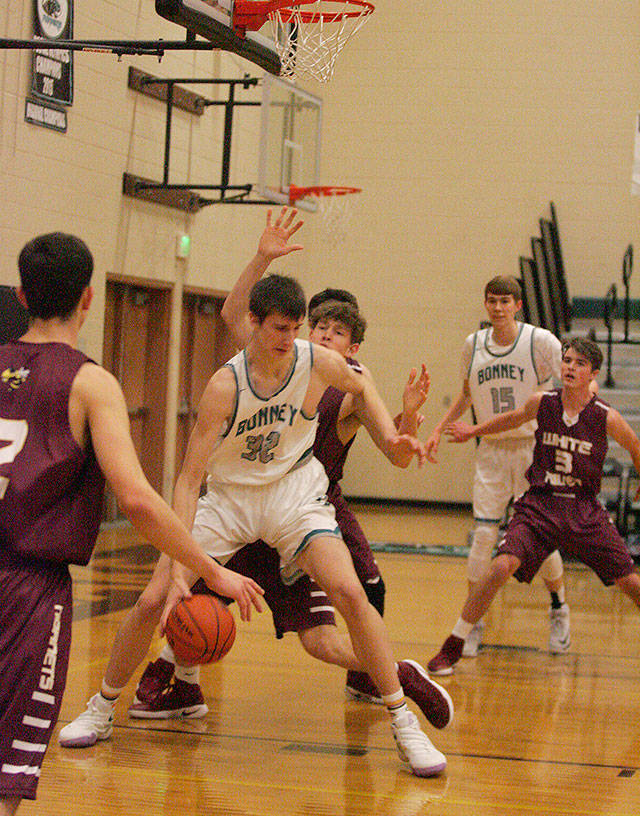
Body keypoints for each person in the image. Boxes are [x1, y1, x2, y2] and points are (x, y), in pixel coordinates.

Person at [60, 213, 449, 777]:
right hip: (230, 500)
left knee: (348, 590)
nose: (289, 340)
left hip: (294, 493)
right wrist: (174, 562)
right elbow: (190, 479)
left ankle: (403, 724)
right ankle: (100, 707)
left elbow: (368, 398)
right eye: (279, 330)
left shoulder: (315, 361)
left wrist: (398, 427)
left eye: (296, 328)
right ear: (255, 326)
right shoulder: (227, 383)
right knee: (151, 600)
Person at [0, 234, 264, 816]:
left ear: (21, 294)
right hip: (26, 588)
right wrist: (209, 570)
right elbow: (139, 502)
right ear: (89, 298)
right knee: (10, 767)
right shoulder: (90, 383)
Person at [427, 338, 640, 675]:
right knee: (500, 566)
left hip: (583, 510)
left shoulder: (605, 417)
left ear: (593, 373)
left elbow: (634, 445)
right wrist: (474, 431)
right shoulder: (542, 402)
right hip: (540, 505)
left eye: (579, 363)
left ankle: (560, 611)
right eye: (567, 360)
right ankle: (454, 644)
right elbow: (510, 419)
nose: (570, 367)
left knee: (632, 584)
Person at [425, 276, 571, 662]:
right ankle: (472, 623)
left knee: (538, 540)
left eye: (505, 301)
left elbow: (572, 384)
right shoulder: (473, 346)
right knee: (483, 538)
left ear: (518, 305)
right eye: (492, 301)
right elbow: (468, 394)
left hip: (533, 450)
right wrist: (438, 428)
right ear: (485, 304)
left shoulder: (540, 342)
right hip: (490, 451)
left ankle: (559, 607)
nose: (498, 307)